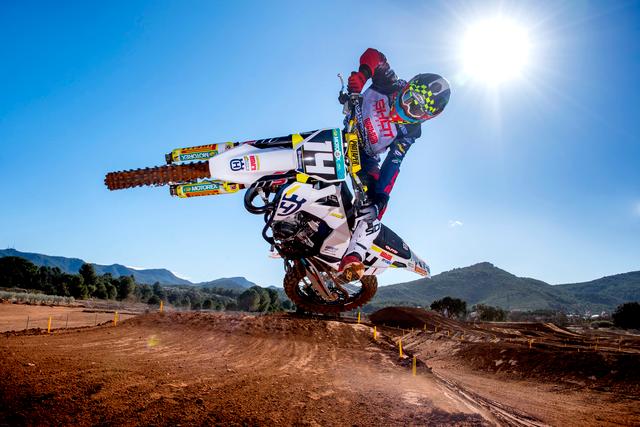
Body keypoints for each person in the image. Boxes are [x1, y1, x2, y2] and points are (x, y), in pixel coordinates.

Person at [339, 48, 451, 281]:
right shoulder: (390, 83)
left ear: (426, 117)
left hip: (365, 157)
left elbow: (393, 164)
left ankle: (354, 256)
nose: (407, 108)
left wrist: (381, 200)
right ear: (407, 86)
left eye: (416, 109)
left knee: (373, 204)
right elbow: (374, 55)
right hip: (348, 134)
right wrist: (363, 75)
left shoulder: (411, 131)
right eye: (409, 98)